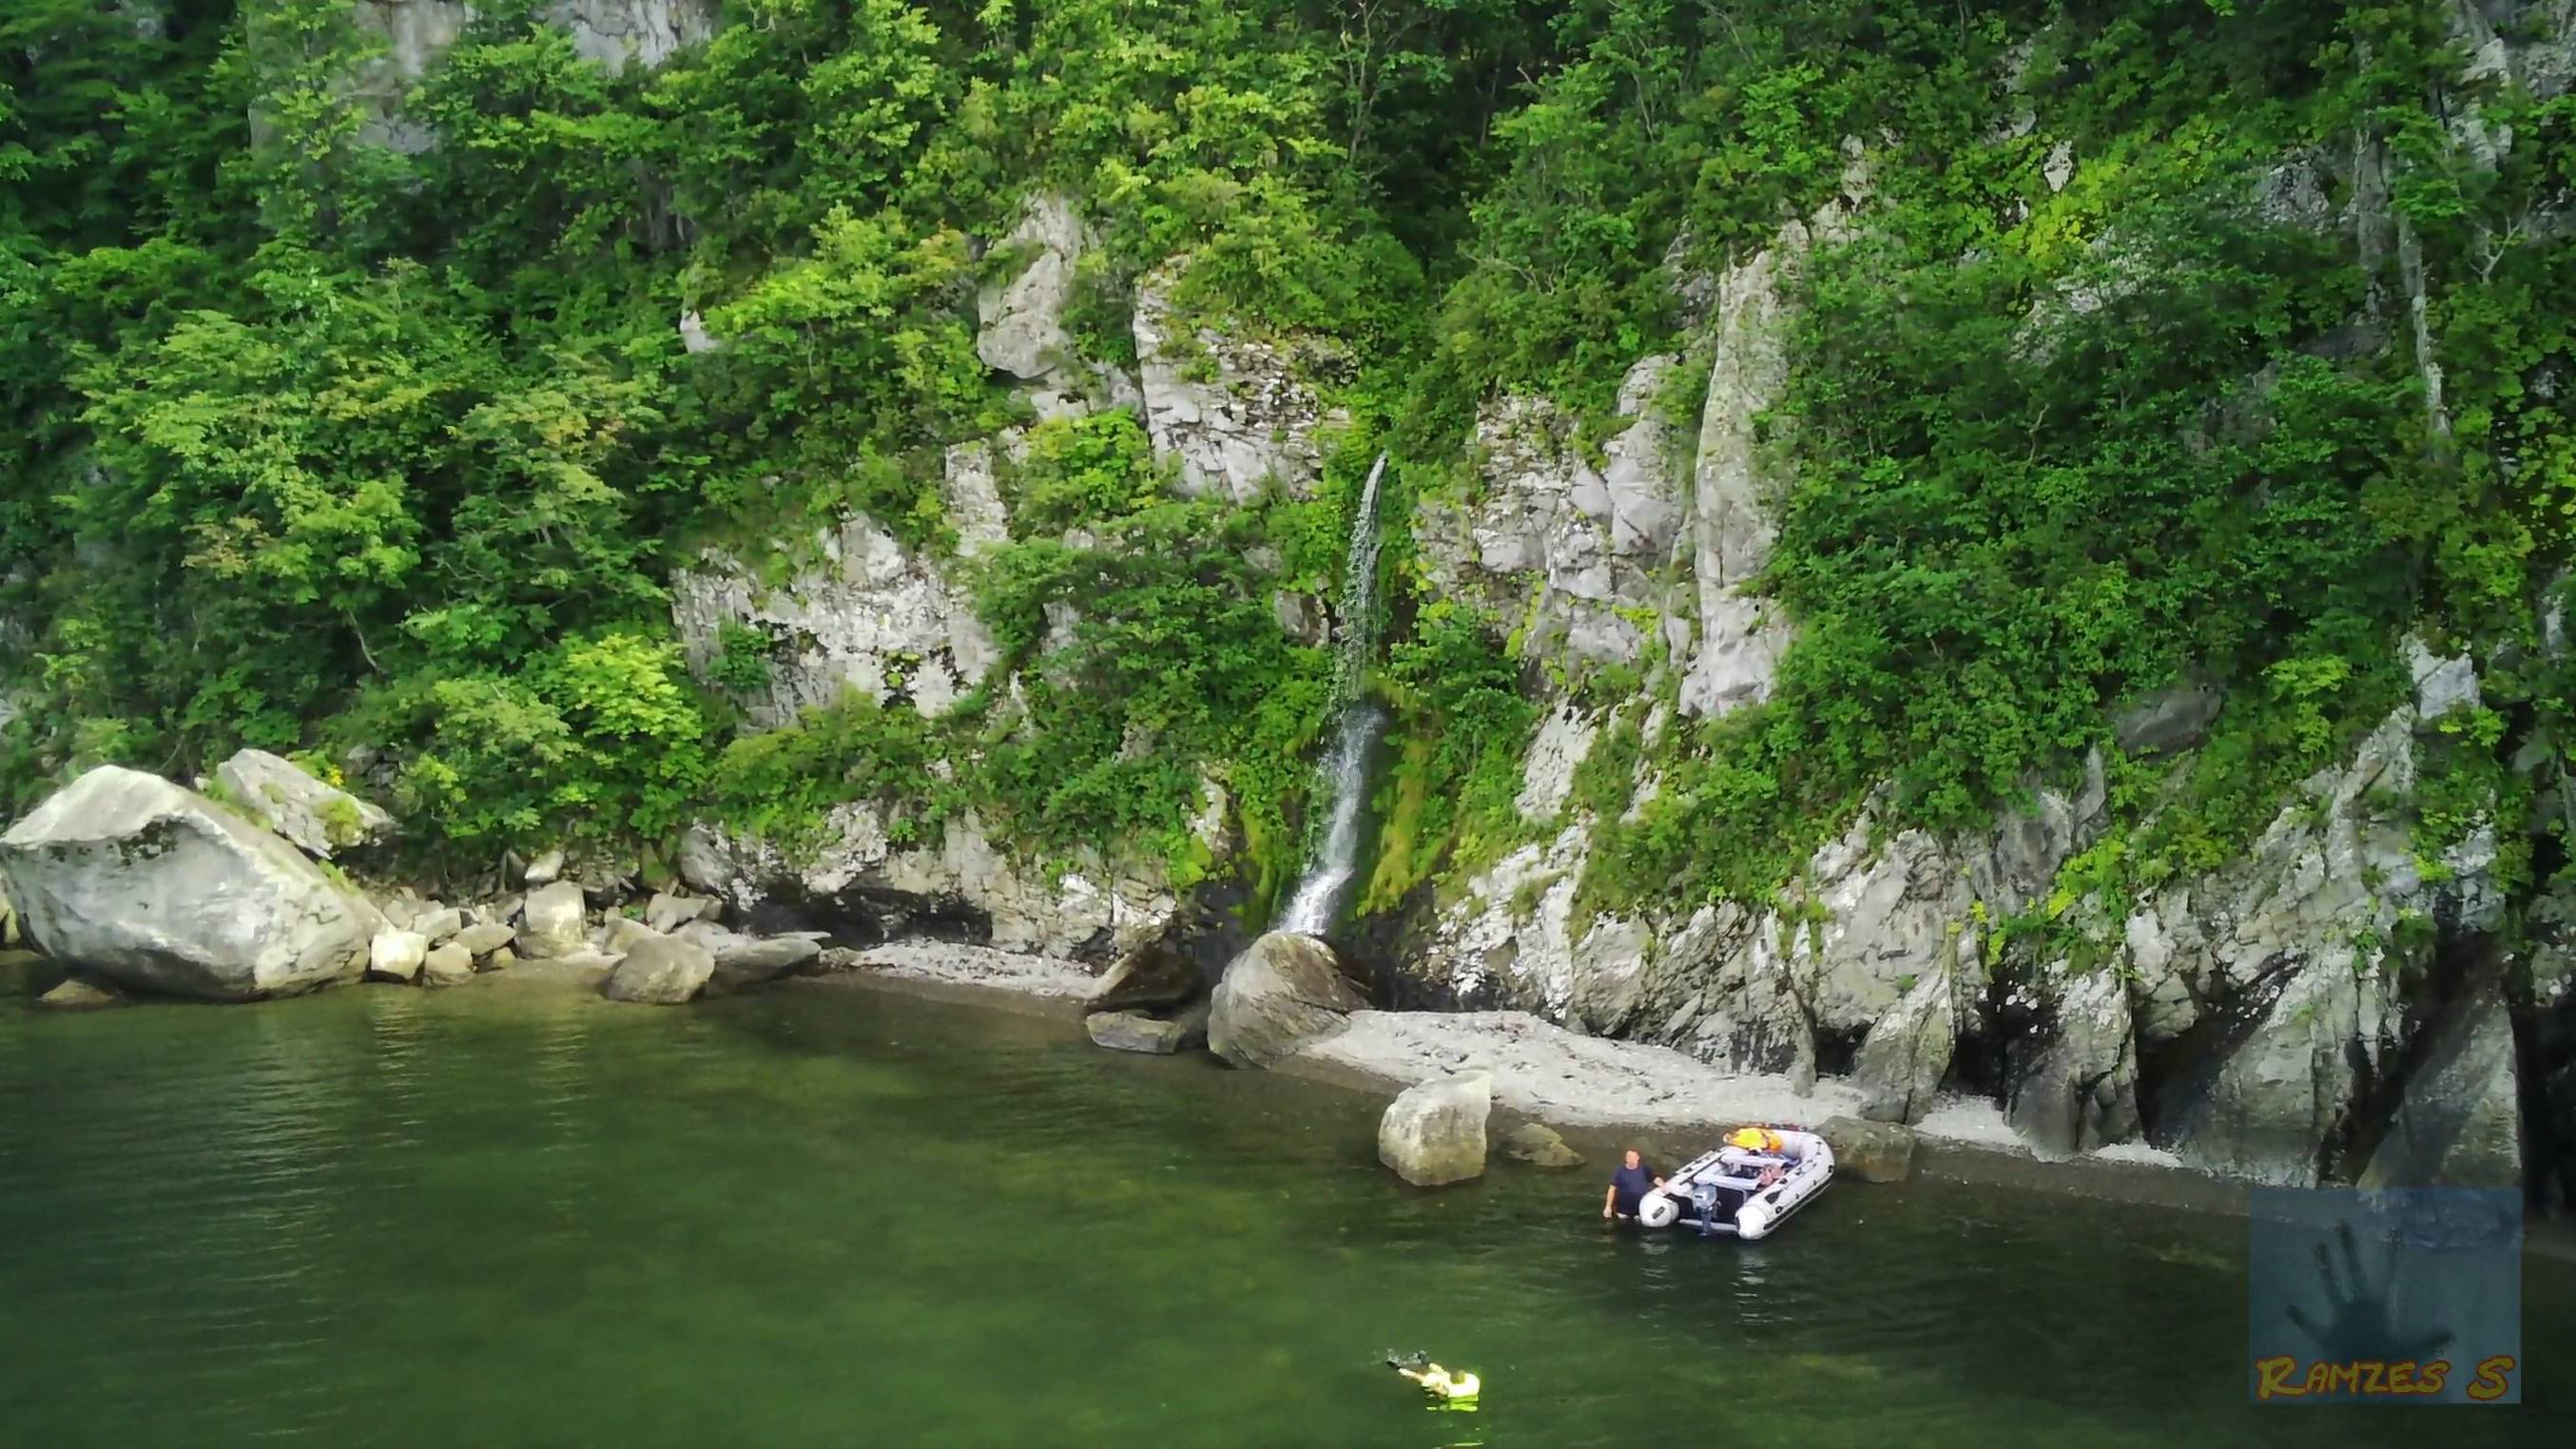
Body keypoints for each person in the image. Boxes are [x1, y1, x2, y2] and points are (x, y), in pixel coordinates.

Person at [1389, 1352, 1481, 1403]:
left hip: (1445, 1394)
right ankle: (1427, 1363)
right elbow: (1449, 1375)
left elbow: (1438, 1389)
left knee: (1423, 1378)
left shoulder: (1452, 1390)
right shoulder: (1473, 1380)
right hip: (1464, 1391)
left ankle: (1401, 1369)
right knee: (1442, 1372)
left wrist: (1437, 1384)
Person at [1602, 1148, 1664, 1221]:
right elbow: (1612, 1188)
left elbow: (1655, 1179)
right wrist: (1608, 1206)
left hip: (1641, 1209)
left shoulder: (1644, 1168)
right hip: (1623, 1211)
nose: (1631, 1159)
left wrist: (1663, 1186)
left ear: (1638, 1158)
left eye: (1633, 1157)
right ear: (1626, 1158)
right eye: (1629, 1157)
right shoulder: (1619, 1171)